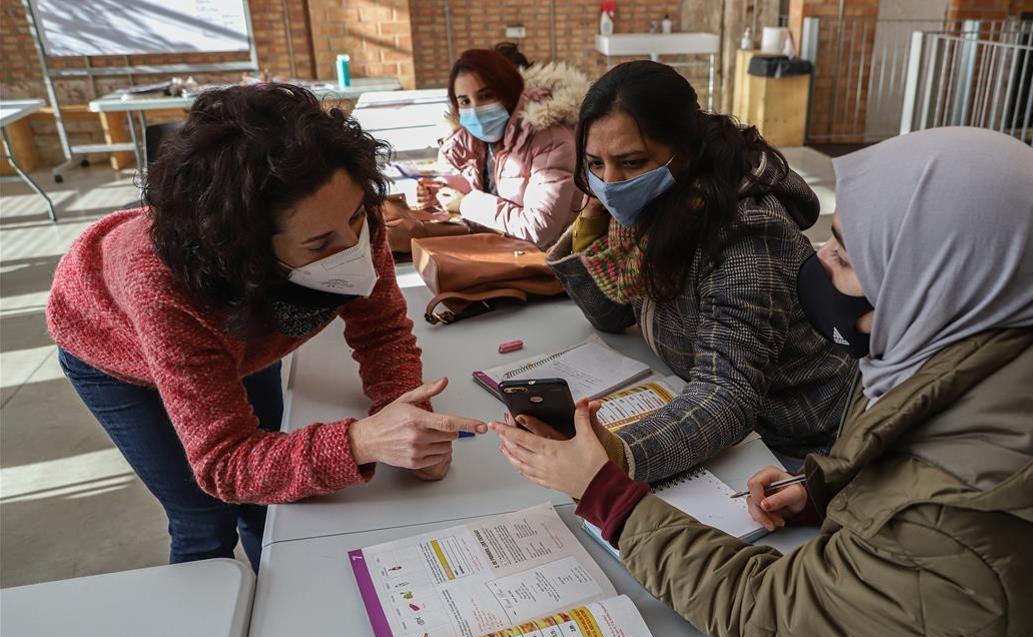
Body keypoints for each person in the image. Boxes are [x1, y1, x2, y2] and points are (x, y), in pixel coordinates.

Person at [495, 127, 1033, 637]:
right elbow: (922, 450)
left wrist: (606, 495)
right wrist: (825, 485)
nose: (818, 266)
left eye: (849, 255)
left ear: (942, 284)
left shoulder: (962, 524)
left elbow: (777, 612)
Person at [47, 84, 487, 571]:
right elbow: (225, 462)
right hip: (111, 349)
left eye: (358, 218)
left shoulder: (340, 211)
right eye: (320, 245)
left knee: (270, 502)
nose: (354, 248)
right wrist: (362, 440)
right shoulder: (166, 291)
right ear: (248, 254)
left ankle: (273, 588)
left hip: (236, 333)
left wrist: (407, 416)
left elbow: (380, 329)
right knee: (202, 516)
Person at [532, 61, 854, 482]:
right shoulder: (653, 204)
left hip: (795, 444)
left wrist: (616, 456)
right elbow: (611, 314)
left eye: (631, 162)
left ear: (684, 151)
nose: (609, 182)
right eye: (595, 164)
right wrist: (590, 229)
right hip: (709, 407)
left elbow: (728, 393)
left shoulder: (744, 232)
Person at [417, 48, 587, 249]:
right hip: (503, 257)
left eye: (486, 95)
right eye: (465, 101)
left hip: (548, 269)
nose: (476, 110)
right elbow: (495, 188)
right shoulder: (481, 141)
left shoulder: (549, 139)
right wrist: (443, 189)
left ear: (508, 92)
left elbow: (538, 229)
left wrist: (465, 204)